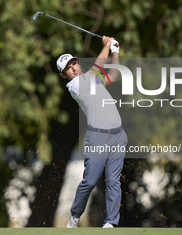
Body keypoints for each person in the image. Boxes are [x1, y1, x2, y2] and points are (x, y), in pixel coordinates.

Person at [56, 36, 128, 228]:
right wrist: (105, 45)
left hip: (118, 136)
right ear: (64, 75)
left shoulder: (93, 79)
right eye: (68, 68)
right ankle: (74, 216)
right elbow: (97, 67)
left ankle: (111, 223)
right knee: (89, 181)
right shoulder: (75, 86)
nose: (73, 68)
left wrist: (115, 51)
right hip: (97, 137)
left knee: (114, 181)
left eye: (74, 63)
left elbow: (113, 76)